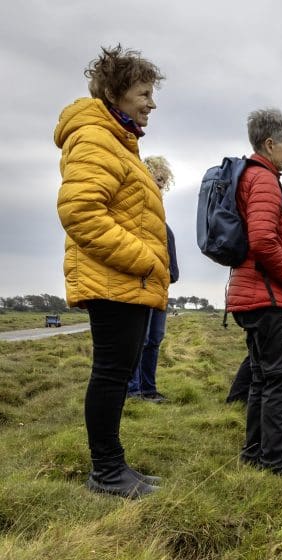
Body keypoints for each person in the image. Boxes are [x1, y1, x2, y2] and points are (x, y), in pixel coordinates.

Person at [54, 45, 168, 498]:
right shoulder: (95, 137)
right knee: (110, 373)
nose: (151, 103)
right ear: (117, 93)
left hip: (124, 281)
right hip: (115, 279)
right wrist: (144, 259)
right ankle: (106, 472)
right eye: (144, 93)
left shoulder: (118, 139)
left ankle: (114, 466)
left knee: (118, 373)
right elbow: (81, 212)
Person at [226, 108, 282, 482]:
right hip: (266, 295)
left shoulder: (250, 176)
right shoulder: (264, 180)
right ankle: (276, 466)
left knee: (261, 379)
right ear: (270, 143)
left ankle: (254, 457)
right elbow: (262, 239)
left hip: (250, 294)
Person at [127, 155, 179, 403]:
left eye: (163, 182)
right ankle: (134, 391)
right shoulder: (136, 214)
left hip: (161, 288)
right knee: (140, 339)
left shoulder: (161, 221)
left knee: (154, 340)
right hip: (142, 286)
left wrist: (171, 274)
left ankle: (148, 389)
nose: (160, 186)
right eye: (157, 179)